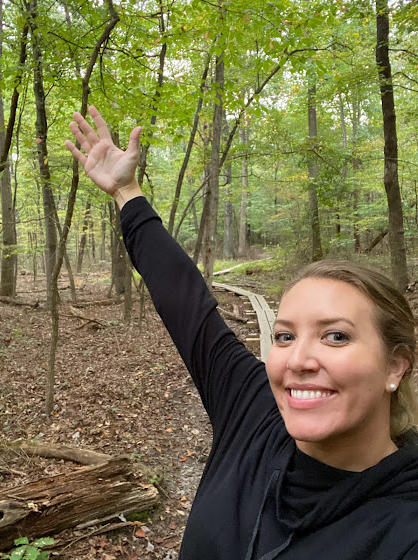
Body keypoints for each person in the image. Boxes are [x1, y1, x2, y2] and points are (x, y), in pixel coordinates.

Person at [66, 107, 418, 560]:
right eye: (286, 336)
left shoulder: (404, 530)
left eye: (335, 337)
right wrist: (127, 192)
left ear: (395, 365)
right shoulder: (254, 411)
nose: (299, 360)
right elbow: (187, 305)